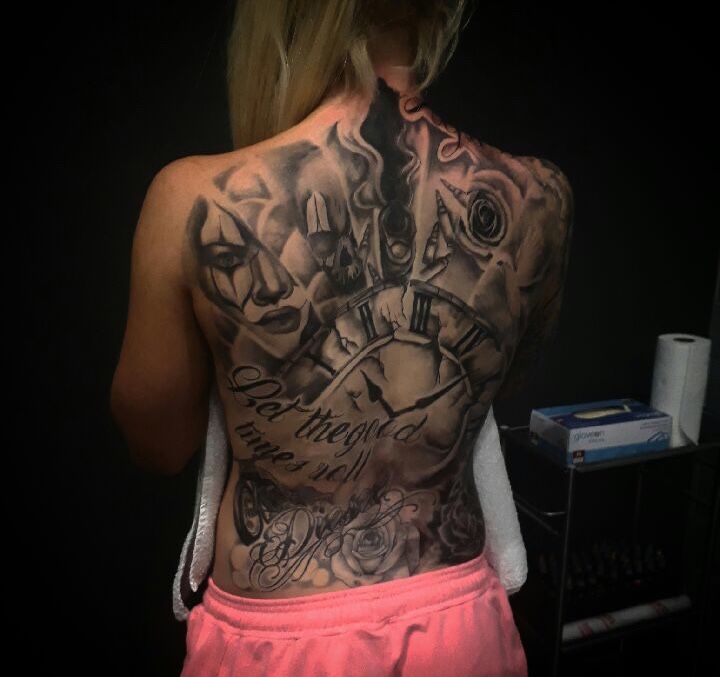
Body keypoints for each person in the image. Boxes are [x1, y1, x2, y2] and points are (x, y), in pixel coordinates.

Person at [111, 0, 573, 674]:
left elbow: (158, 445)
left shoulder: (194, 203)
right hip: (459, 628)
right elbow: (498, 383)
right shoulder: (539, 200)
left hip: (279, 645)